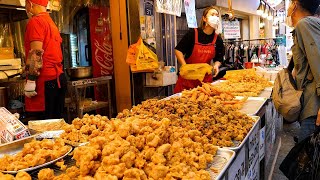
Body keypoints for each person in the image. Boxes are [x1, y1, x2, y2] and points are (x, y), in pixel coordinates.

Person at [23, 0, 67, 119]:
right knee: (55, 125)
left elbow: (36, 53)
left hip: (44, 83)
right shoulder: (51, 22)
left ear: (30, 4)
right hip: (57, 79)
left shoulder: (35, 22)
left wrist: (31, 80)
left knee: (42, 127)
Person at [286, 0, 320, 142]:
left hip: (314, 106)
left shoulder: (305, 24)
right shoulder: (309, 24)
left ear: (295, 4)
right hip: (309, 103)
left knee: (307, 157)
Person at [174, 6, 224, 93]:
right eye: (212, 14)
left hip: (204, 81)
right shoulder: (193, 33)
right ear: (204, 19)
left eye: (217, 15)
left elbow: (219, 58)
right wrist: (184, 65)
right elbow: (178, 50)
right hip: (188, 78)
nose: (215, 17)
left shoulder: (218, 39)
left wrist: (216, 65)